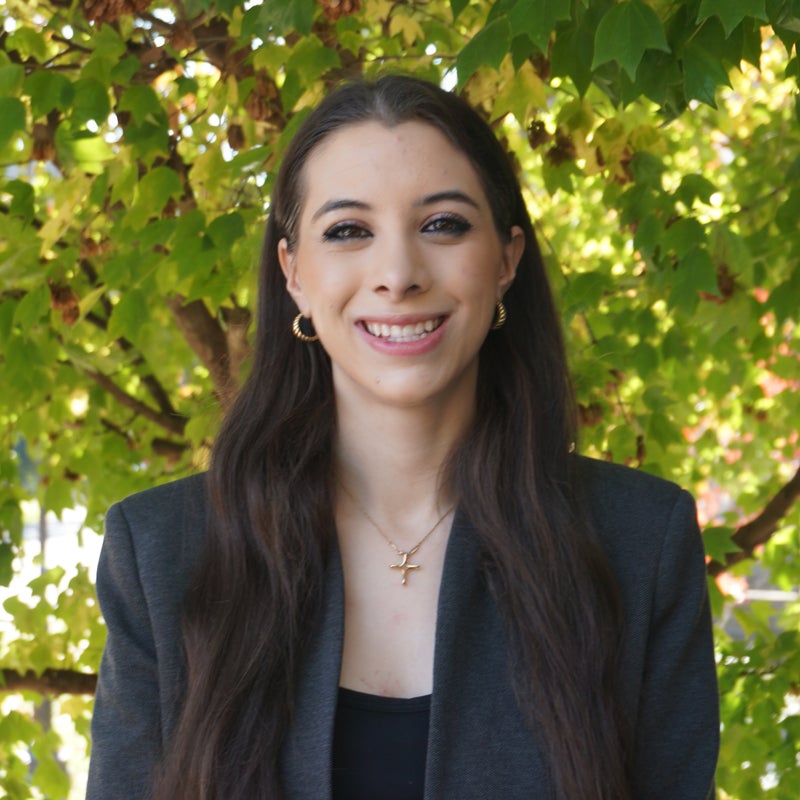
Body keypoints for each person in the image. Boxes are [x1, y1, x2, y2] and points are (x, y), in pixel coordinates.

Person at [86, 74, 719, 800]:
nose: (397, 274)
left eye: (443, 224)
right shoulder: (163, 551)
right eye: (348, 230)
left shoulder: (640, 541)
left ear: (508, 259)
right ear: (293, 273)